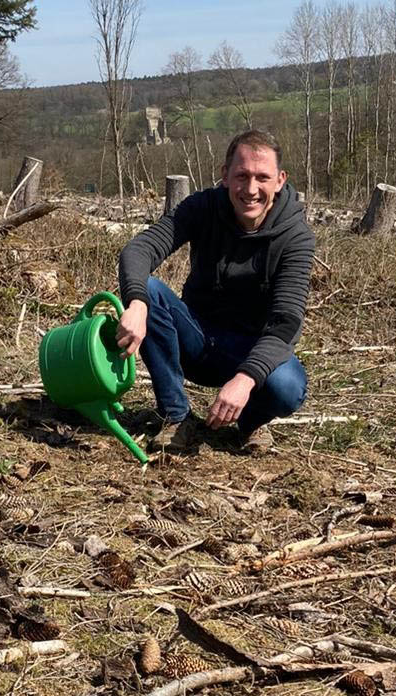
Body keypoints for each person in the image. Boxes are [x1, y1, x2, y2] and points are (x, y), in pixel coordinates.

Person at [115, 129, 316, 453]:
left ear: (279, 180)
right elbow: (139, 250)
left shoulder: (296, 237)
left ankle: (251, 423)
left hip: (251, 351)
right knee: (149, 290)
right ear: (224, 175)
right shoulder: (202, 208)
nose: (250, 189)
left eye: (262, 177)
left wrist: (246, 378)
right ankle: (177, 417)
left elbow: (285, 322)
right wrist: (136, 302)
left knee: (288, 388)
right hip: (195, 337)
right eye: (241, 176)